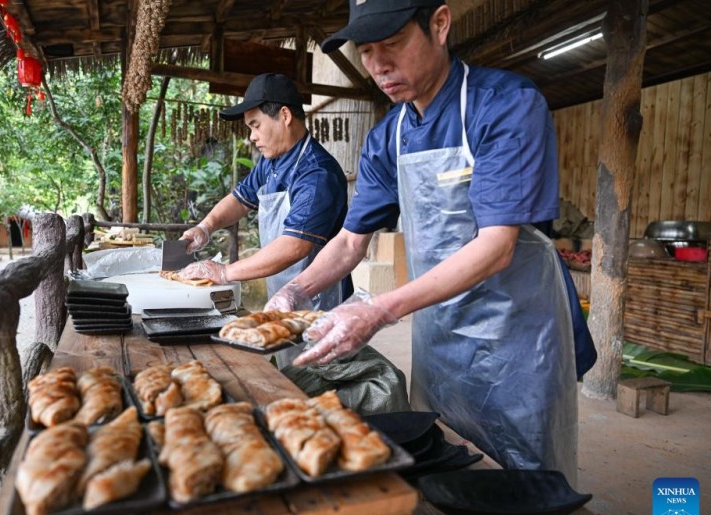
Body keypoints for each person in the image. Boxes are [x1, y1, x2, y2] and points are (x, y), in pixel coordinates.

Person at [265, 0, 596, 485]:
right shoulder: (389, 137)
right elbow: (350, 241)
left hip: (518, 335)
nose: (378, 65)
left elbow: (497, 246)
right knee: (444, 459)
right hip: (440, 329)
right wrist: (296, 290)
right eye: (368, 50)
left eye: (393, 44)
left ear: (440, 25)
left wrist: (379, 310)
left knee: (527, 476)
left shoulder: (504, 105)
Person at [180, 73, 352, 366]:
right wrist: (205, 227)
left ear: (284, 115)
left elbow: (294, 247)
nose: (252, 136)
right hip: (282, 299)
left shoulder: (316, 173)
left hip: (318, 305)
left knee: (318, 384)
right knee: (289, 376)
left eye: (255, 125)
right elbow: (240, 198)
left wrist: (225, 273)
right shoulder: (271, 163)